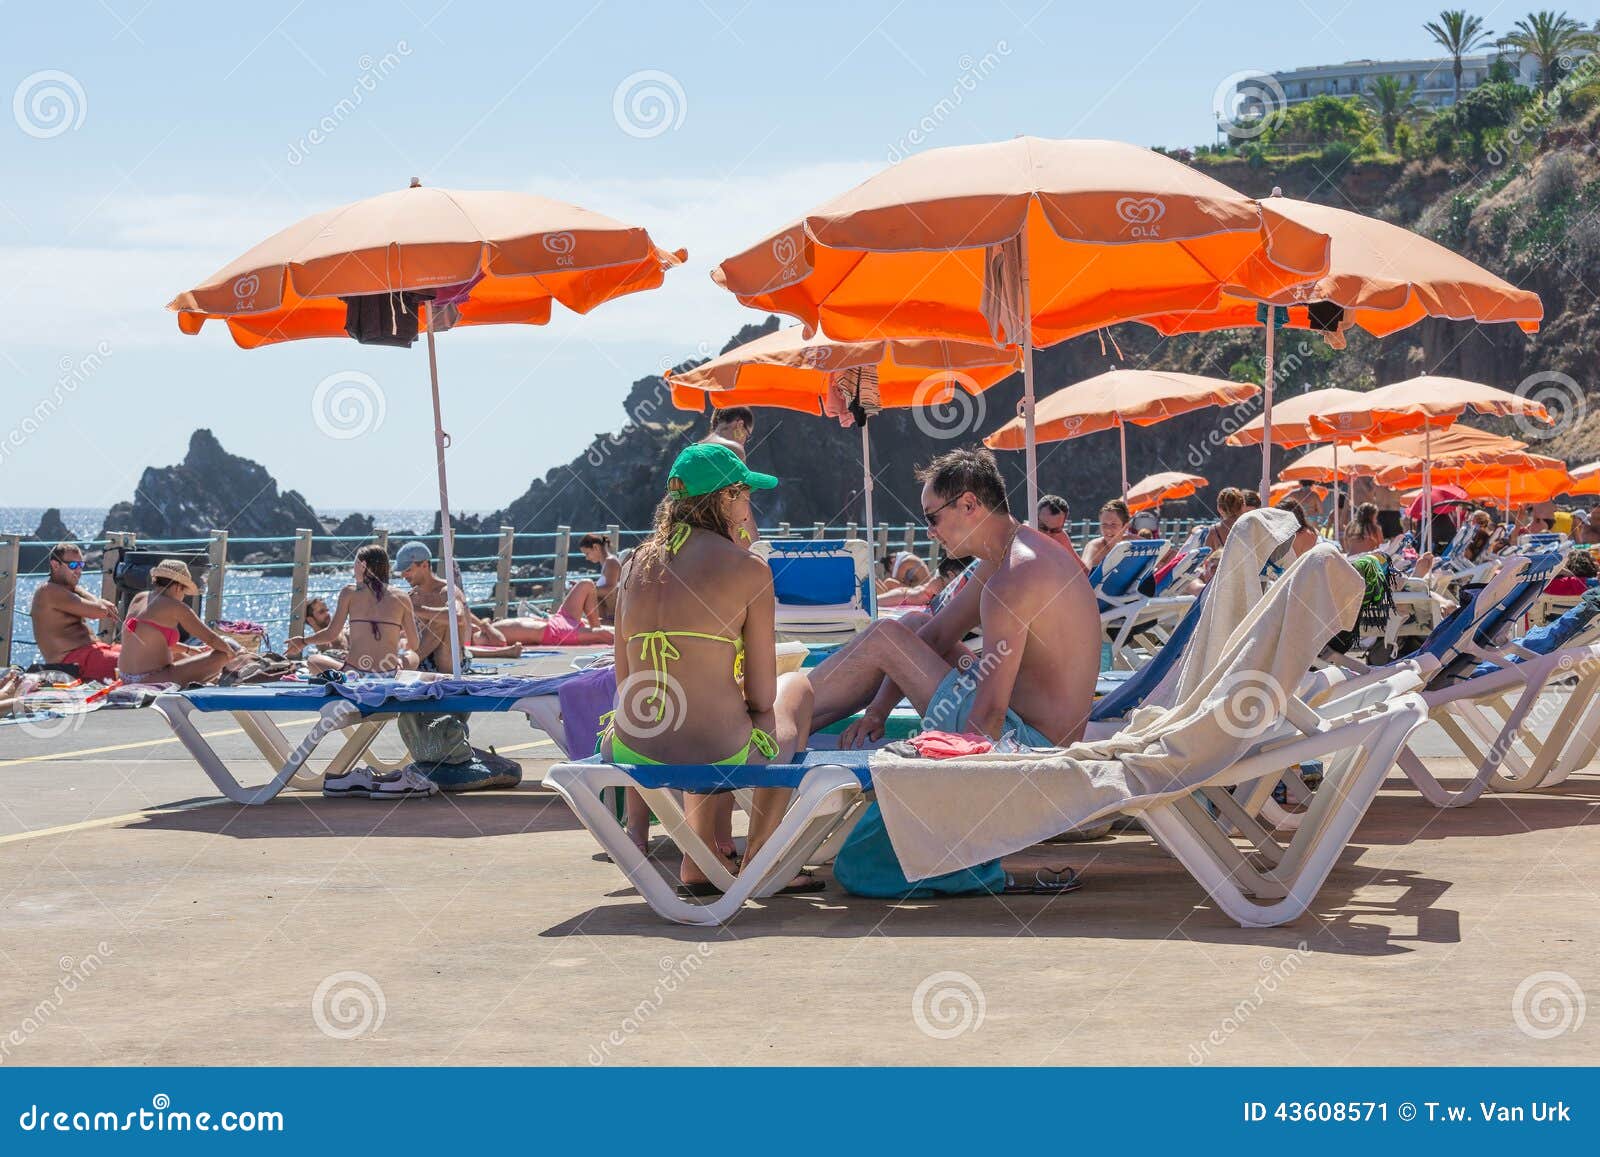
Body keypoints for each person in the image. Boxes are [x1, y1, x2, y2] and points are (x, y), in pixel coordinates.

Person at [604, 443, 816, 894]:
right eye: (742, 494)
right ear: (724, 499)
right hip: (714, 750)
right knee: (793, 690)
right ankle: (761, 857)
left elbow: (626, 683)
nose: (747, 506)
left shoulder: (631, 566)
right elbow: (762, 697)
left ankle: (699, 859)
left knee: (701, 710)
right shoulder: (749, 570)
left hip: (630, 747)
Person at [808, 446, 1100, 749]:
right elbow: (934, 637)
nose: (930, 532)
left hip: (1027, 744)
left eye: (932, 518)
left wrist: (958, 775)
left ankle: (790, 717)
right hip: (1029, 728)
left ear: (969, 504)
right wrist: (878, 712)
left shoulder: (1011, 580)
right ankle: (798, 715)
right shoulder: (1016, 554)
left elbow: (988, 717)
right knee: (913, 623)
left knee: (885, 636)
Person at [297, 545, 421, 674]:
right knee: (413, 657)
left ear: (363, 565)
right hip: (389, 672)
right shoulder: (402, 596)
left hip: (355, 672)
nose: (353, 568)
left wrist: (303, 641)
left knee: (313, 660)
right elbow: (414, 644)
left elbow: (331, 634)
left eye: (355, 563)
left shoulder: (349, 592)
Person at [117, 560, 243, 685]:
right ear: (178, 587)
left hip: (125, 677)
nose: (183, 596)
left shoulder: (139, 598)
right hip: (151, 679)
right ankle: (223, 676)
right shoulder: (176, 607)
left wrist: (190, 649)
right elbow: (211, 639)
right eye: (184, 592)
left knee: (181, 656)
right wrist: (233, 654)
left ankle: (211, 677)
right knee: (222, 654)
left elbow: (148, 641)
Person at [29, 543, 122, 681]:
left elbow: (103, 607)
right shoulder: (48, 591)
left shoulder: (69, 589)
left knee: (142, 654)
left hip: (93, 652)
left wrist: (95, 600)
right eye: (73, 565)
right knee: (135, 663)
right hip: (72, 662)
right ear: (55, 565)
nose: (78, 571)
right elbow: (99, 611)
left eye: (81, 565)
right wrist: (102, 605)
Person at [578, 533, 624, 622]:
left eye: (587, 553)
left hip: (612, 617)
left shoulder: (611, 562)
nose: (587, 558)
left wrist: (586, 590)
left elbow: (611, 589)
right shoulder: (606, 563)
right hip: (607, 616)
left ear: (596, 547)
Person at [284, 596, 347, 661]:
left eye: (327, 610)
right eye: (322, 612)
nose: (327, 614)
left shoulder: (342, 631)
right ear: (310, 620)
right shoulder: (327, 643)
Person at [1080, 499, 1131, 570]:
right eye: (1104, 524)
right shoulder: (1094, 547)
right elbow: (1083, 574)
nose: (1108, 529)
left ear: (1125, 526)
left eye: (1113, 524)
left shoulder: (1137, 544)